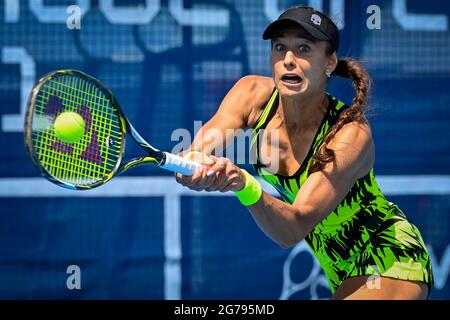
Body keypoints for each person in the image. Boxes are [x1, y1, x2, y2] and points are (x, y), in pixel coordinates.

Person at [175, 6, 433, 300]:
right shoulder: (250, 95)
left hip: (389, 256)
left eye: (303, 49)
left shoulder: (350, 135)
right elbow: (202, 145)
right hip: (336, 268)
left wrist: (243, 184)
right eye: (280, 47)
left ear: (329, 62)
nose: (288, 60)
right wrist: (194, 164)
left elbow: (293, 228)